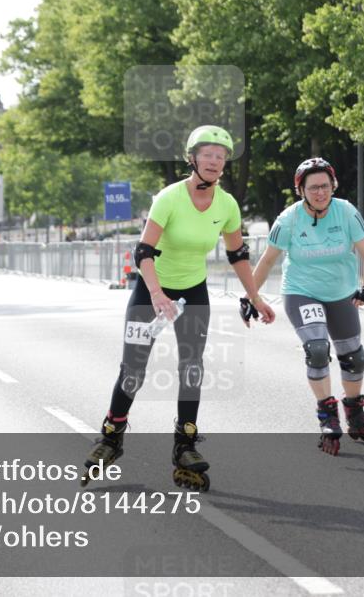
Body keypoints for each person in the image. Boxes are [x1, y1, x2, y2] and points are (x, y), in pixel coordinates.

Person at [81, 125, 275, 491]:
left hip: (192, 292)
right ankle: (111, 436)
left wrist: (255, 297)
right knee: (133, 370)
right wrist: (155, 294)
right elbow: (143, 252)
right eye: (208, 155)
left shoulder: (227, 204)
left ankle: (185, 445)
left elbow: (237, 255)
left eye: (221, 156)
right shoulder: (170, 198)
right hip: (151, 291)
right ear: (193, 159)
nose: (216, 161)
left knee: (192, 368)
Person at [248, 157, 364, 456]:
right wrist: (251, 297)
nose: (320, 192)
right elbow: (268, 260)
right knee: (316, 349)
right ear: (301, 190)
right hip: (302, 291)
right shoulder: (289, 219)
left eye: (325, 186)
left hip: (341, 292)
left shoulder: (346, 212)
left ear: (333, 186)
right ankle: (327, 414)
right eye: (313, 187)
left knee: (354, 357)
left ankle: (355, 414)